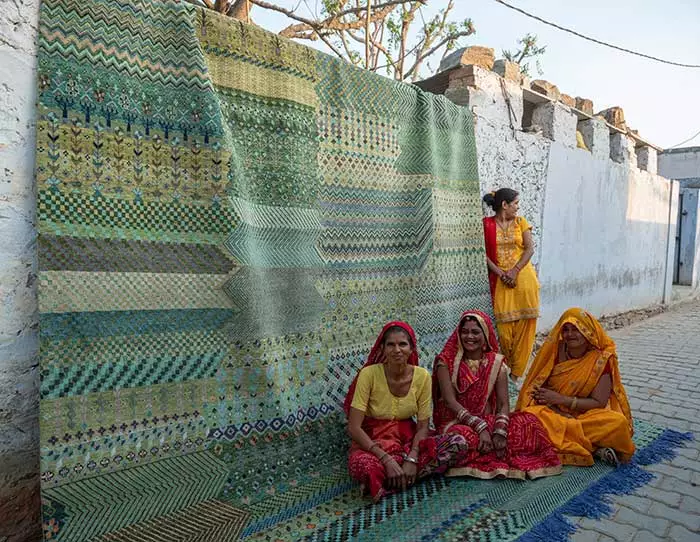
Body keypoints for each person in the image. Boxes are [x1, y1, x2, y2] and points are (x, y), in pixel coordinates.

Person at [345, 321, 468, 501]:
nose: (397, 350)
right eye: (391, 345)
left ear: (411, 349)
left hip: (408, 441)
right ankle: (399, 474)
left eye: (402, 344)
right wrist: (386, 459)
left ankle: (396, 477)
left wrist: (412, 457)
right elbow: (354, 427)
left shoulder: (422, 376)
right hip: (374, 443)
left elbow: (423, 426)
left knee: (457, 442)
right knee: (364, 466)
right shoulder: (369, 374)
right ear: (383, 349)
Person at [432, 310, 561, 479]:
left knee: (530, 423)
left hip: (488, 420)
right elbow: (449, 402)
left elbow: (503, 404)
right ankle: (487, 451)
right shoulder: (446, 362)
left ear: (485, 335)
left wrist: (500, 431)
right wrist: (480, 427)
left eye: (475, 332)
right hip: (457, 422)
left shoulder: (496, 363)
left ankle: (490, 449)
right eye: (465, 332)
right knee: (461, 439)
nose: (469, 336)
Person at [516, 308, 635, 466]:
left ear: (589, 332)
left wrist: (563, 400)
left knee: (617, 422)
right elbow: (536, 391)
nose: (570, 334)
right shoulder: (553, 351)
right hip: (552, 412)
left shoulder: (601, 359)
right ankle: (595, 447)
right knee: (528, 417)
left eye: (576, 329)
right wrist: (559, 411)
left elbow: (599, 402)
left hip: (585, 415)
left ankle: (576, 441)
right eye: (566, 329)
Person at [482, 188, 540, 383]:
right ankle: (505, 371)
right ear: (504, 205)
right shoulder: (487, 225)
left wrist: (514, 271)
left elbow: (529, 249)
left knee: (525, 328)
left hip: (524, 279)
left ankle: (515, 377)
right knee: (504, 332)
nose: (518, 207)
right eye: (515, 203)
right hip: (500, 281)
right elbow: (483, 255)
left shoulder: (521, 222)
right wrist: (501, 273)